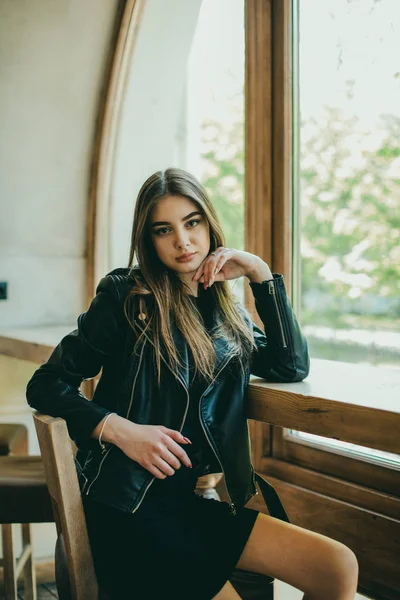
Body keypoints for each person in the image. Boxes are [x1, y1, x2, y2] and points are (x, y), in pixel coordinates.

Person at [26, 168, 358, 600]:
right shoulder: (127, 297)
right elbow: (47, 384)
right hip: (127, 509)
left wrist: (259, 273)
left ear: (209, 224)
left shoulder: (226, 311)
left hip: (189, 505)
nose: (182, 241)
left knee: (336, 566)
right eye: (164, 230)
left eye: (192, 222)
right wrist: (121, 431)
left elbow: (289, 366)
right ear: (149, 240)